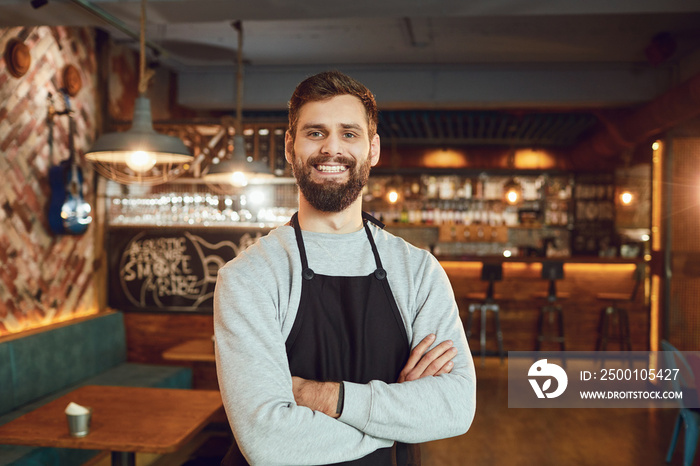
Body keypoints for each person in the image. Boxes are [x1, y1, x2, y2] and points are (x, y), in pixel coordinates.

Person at [214, 70, 476, 466]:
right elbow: (267, 441)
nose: (331, 149)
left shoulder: (418, 271)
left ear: (373, 149)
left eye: (349, 134)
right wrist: (396, 419)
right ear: (290, 147)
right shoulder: (249, 277)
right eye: (315, 133)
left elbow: (455, 407)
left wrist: (322, 396)